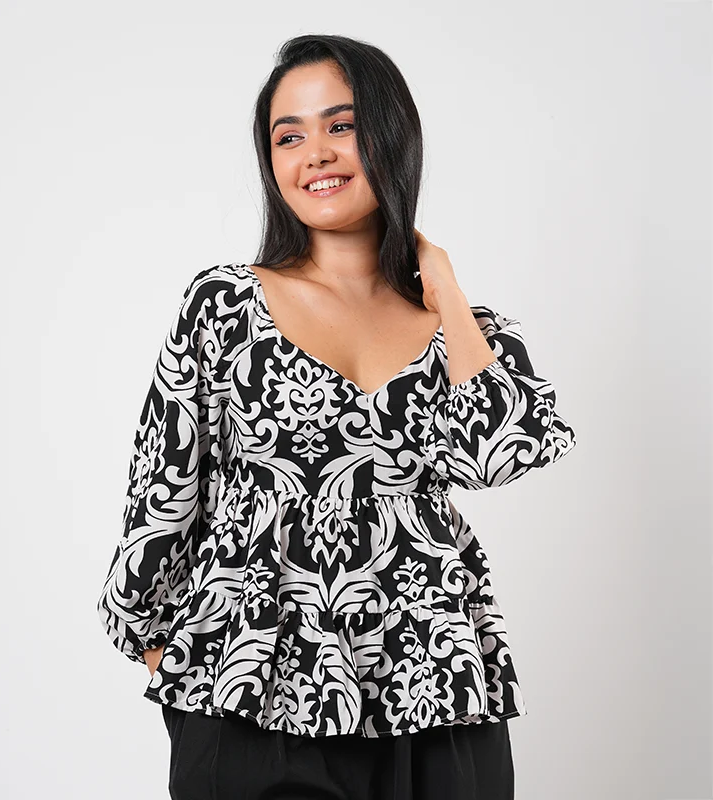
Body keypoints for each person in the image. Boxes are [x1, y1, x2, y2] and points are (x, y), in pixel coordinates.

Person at [97, 33, 577, 800]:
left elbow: (499, 453)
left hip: (437, 693)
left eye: (341, 125)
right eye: (288, 136)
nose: (315, 153)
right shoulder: (224, 305)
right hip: (255, 696)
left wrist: (447, 291)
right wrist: (157, 646)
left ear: (390, 135)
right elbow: (162, 492)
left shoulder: (467, 334)